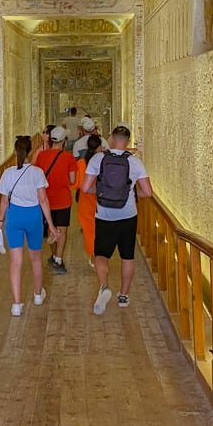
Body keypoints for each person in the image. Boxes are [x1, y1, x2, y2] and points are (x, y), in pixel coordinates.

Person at [80, 125, 152, 314]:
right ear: (127, 142)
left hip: (104, 215)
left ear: (111, 139)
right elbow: (148, 192)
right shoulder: (135, 163)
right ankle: (124, 296)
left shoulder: (98, 158)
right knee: (127, 256)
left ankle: (104, 286)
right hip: (128, 215)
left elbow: (85, 188)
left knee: (101, 254)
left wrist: (102, 193)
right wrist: (129, 193)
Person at [0, 135, 58, 316]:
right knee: (36, 258)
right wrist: (51, 225)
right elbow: (43, 199)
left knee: (16, 262)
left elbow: (4, 201)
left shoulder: (8, 173)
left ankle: (16, 304)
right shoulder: (37, 173)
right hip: (33, 216)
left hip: (14, 217)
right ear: (31, 151)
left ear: (15, 152)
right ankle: (38, 294)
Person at [34, 125, 76, 274]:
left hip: (46, 199)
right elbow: (72, 180)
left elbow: (36, 176)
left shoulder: (41, 156)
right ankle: (58, 259)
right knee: (62, 230)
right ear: (64, 141)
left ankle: (53, 255)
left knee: (50, 229)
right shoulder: (68, 157)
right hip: (63, 199)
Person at [74, 134, 102, 268]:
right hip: (101, 201)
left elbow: (77, 184)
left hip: (85, 203)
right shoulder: (103, 162)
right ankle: (100, 255)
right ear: (99, 147)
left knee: (89, 231)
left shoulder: (81, 163)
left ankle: (93, 255)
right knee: (100, 229)